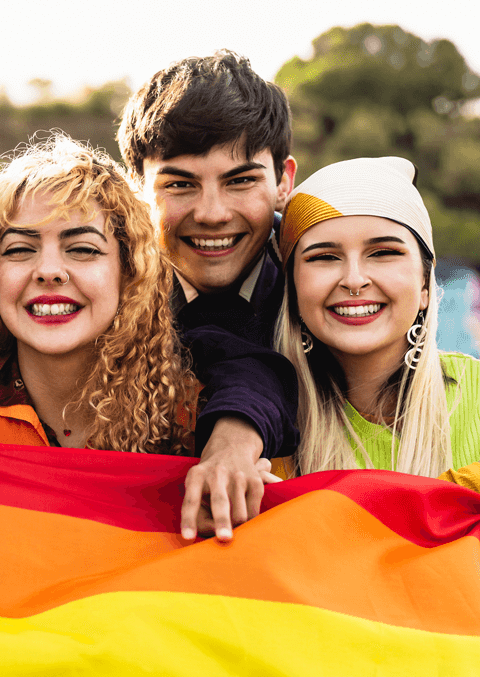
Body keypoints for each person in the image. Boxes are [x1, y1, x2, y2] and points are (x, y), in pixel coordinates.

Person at [0, 133, 201, 457]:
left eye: (82, 249)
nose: (48, 270)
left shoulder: (193, 419)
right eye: (20, 249)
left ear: (128, 272)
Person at [117, 50, 301, 540]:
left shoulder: (328, 285)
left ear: (284, 182)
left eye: (240, 181)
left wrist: (235, 438)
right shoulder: (95, 292)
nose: (213, 213)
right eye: (180, 184)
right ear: (137, 189)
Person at [272, 157, 480, 489]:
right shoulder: (265, 428)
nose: (354, 280)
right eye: (324, 257)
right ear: (292, 288)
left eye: (383, 252)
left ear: (425, 284)